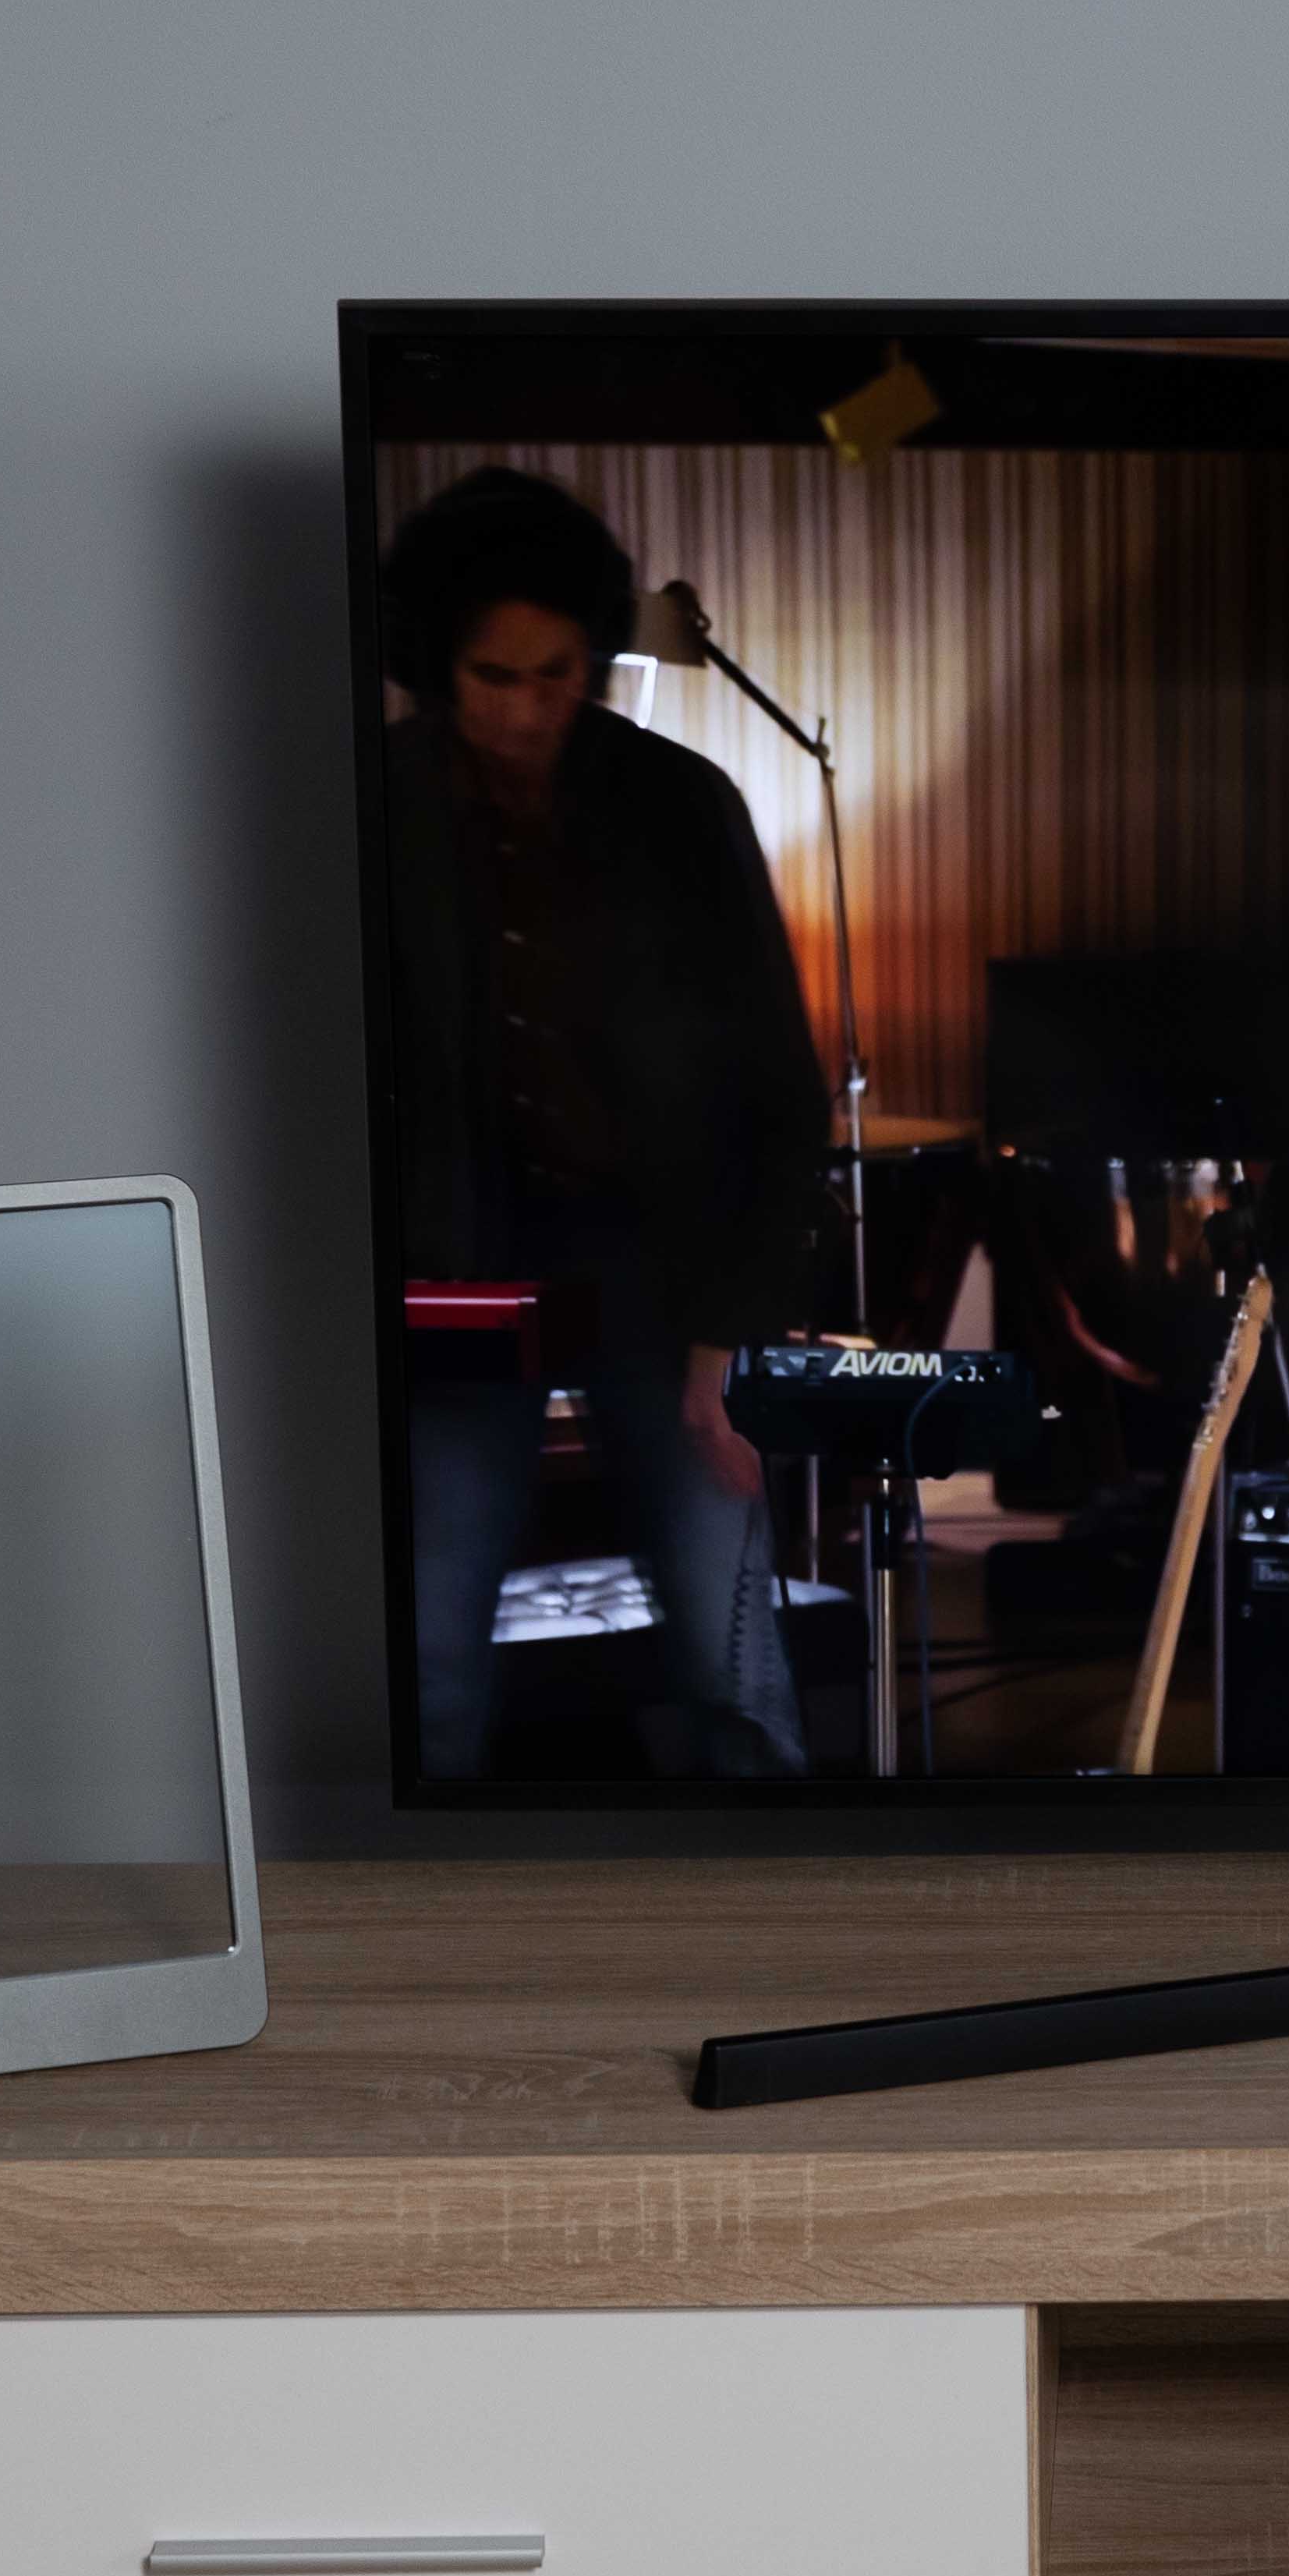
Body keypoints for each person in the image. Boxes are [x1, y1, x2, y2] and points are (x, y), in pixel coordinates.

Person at [380, 466, 829, 1777]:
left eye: (559, 673)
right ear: (437, 665)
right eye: (495, 677)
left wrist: (726, 1336)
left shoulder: (682, 805)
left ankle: (776, 1897)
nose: (529, 709)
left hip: (662, 1268)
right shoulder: (380, 806)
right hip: (461, 1264)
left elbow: (780, 1084)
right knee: (427, 1660)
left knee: (730, 1655)